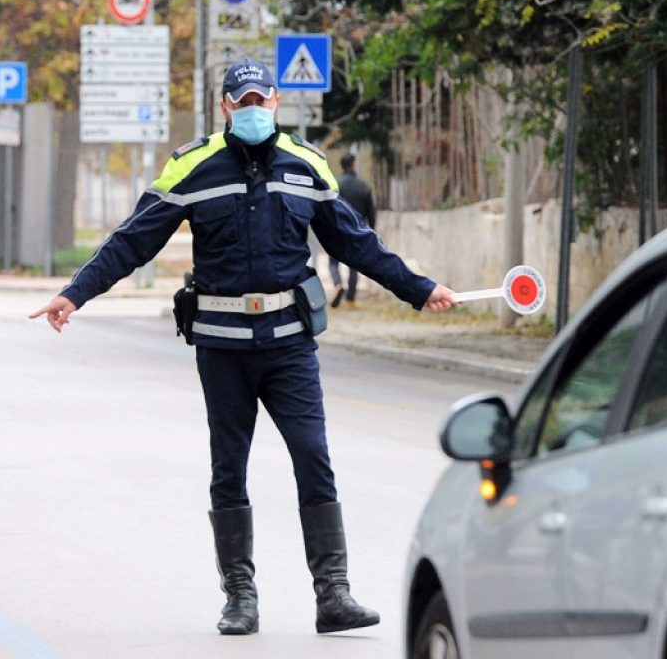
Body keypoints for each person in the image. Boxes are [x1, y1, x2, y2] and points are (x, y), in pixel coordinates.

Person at [29, 58, 456, 637]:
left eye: (262, 99)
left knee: (313, 457)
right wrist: (75, 293)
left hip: (289, 346)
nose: (253, 108)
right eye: (242, 100)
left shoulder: (306, 166)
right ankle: (240, 597)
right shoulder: (193, 166)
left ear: (276, 102)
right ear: (225, 105)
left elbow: (357, 244)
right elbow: (133, 241)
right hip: (223, 347)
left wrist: (420, 289)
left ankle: (334, 593)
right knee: (229, 468)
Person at [328, 152, 375, 309]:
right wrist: (370, 232)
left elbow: (326, 208)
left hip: (335, 230)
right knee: (353, 266)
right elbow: (371, 213)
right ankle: (350, 299)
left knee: (333, 263)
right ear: (353, 164)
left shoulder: (334, 184)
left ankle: (337, 285)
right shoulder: (363, 186)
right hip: (356, 231)